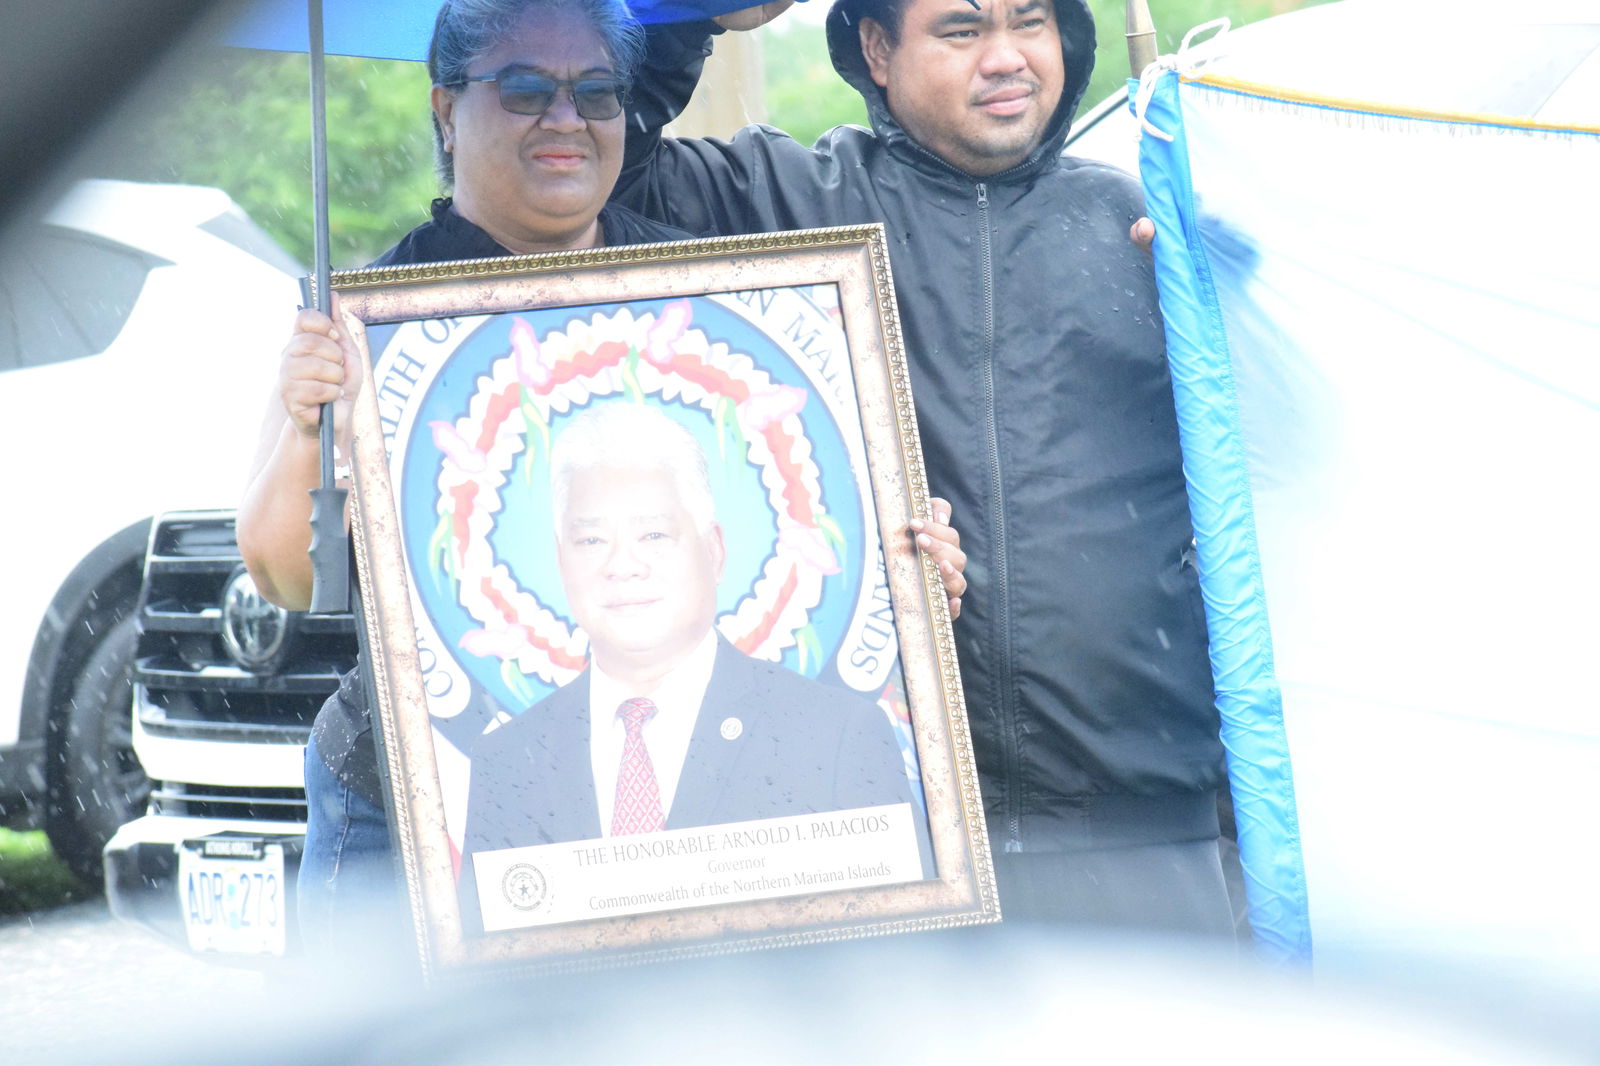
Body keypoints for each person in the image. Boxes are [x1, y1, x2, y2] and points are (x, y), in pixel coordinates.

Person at [235, 0, 966, 950]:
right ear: (447, 110)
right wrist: (306, 422)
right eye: (526, 90)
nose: (566, 120)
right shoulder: (372, 317)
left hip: (687, 839)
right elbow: (285, 575)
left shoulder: (716, 292)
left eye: (598, 92)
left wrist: (907, 588)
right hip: (409, 811)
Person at [612, 0, 1233, 934]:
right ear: (875, 49)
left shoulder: (1151, 224)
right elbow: (593, 164)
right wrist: (681, 21)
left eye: (1031, 23)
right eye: (961, 30)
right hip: (872, 827)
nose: (1008, 59)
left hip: (1144, 822)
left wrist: (1238, 272)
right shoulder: (780, 201)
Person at [461, 403, 915, 860]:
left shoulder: (835, 735)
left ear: (714, 551)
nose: (623, 566)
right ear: (561, 561)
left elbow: (912, 926)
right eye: (592, 541)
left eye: (654, 536)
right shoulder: (507, 761)